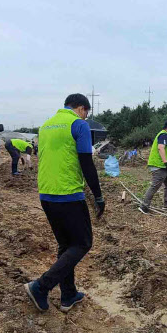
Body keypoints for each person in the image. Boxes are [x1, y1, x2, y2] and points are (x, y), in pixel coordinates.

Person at [24, 94, 105, 313]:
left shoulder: (46, 125)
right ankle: (41, 286)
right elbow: (86, 163)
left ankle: (68, 294)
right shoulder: (78, 125)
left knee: (66, 245)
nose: (86, 116)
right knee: (82, 243)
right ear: (81, 108)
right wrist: (98, 196)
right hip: (68, 194)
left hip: (46, 194)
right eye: (86, 112)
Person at [139, 120, 167, 214]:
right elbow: (161, 147)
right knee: (155, 186)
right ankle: (144, 206)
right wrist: (165, 161)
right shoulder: (164, 135)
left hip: (165, 166)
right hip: (160, 165)